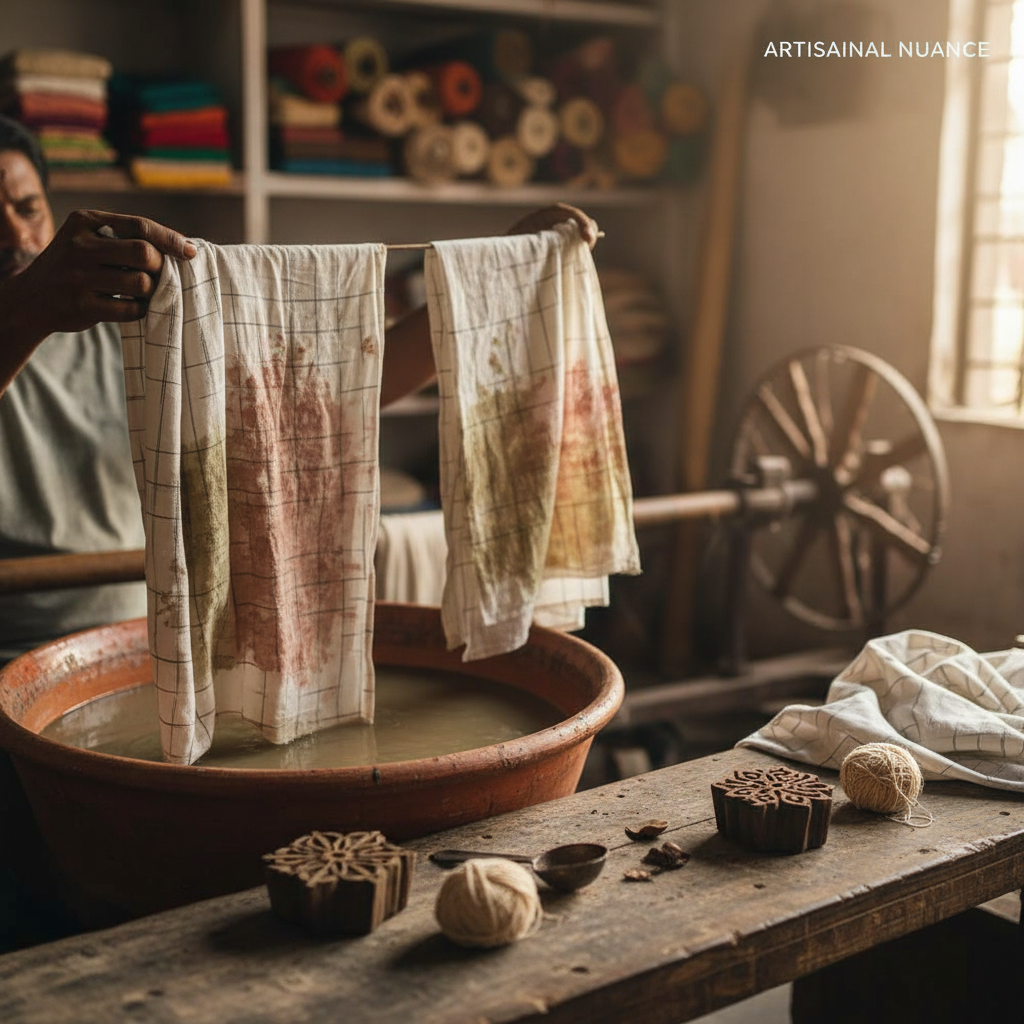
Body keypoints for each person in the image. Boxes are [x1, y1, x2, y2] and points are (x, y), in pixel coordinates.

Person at [0, 113, 598, 664]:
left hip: (154, 652)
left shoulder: (121, 323)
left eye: (28, 208)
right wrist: (26, 310)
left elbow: (337, 385)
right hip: (16, 669)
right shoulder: (33, 321)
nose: (13, 234)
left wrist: (504, 275)